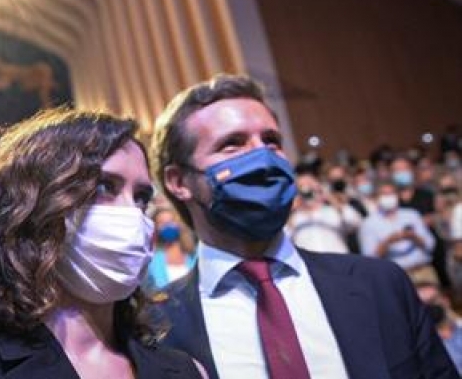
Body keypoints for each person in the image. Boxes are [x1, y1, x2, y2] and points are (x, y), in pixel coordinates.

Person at [150, 74, 456, 378]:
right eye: (232, 145)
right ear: (179, 182)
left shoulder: (381, 285)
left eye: (272, 141)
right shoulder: (156, 326)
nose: (263, 156)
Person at [0, 108, 206, 378]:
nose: (132, 213)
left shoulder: (185, 370)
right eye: (103, 187)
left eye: (141, 197)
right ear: (31, 208)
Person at [359, 181, 438, 285]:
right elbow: (370, 259)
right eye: (384, 194)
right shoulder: (368, 223)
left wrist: (413, 236)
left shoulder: (412, 214)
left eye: (391, 193)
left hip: (422, 270)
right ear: (377, 197)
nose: (388, 197)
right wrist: (388, 242)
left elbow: (430, 245)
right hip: (395, 277)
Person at [146, 206, 197, 291]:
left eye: (171, 221)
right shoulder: (151, 258)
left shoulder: (194, 255)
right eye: (162, 223)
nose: (168, 226)